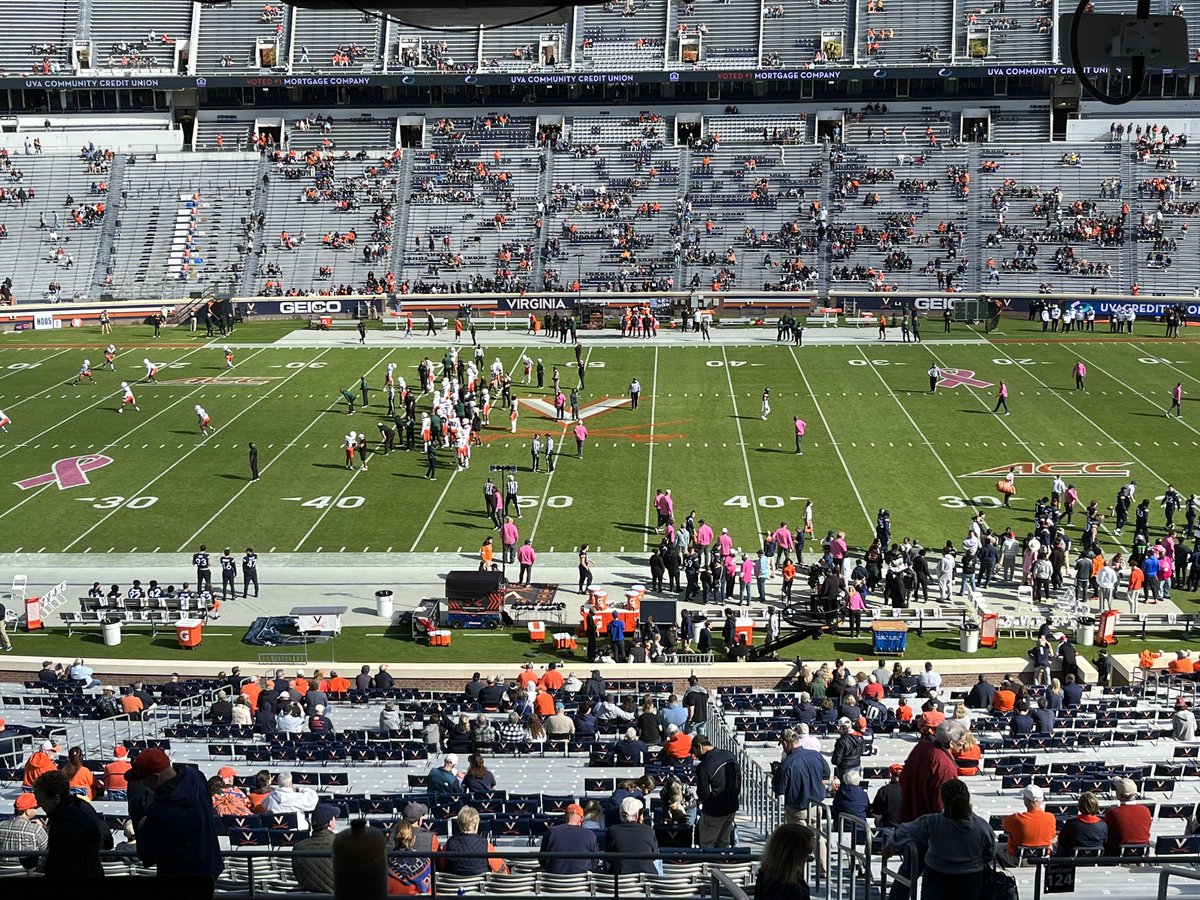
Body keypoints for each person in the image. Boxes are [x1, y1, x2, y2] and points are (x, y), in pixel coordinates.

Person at [884, 780, 995, 900]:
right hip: (970, 880)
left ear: (942, 799)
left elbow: (904, 830)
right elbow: (990, 853)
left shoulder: (932, 822)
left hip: (937, 877)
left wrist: (892, 844)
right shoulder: (982, 826)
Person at [128, 747, 222, 879]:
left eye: (143, 779)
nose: (142, 784)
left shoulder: (160, 813)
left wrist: (140, 822)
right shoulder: (197, 776)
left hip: (179, 878)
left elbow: (147, 857)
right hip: (209, 865)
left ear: (156, 777)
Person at [34, 769, 112, 877]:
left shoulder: (66, 825)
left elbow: (66, 866)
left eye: (41, 800)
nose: (38, 804)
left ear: (56, 798)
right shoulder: (82, 807)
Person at [899, 720, 965, 822]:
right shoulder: (946, 767)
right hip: (929, 824)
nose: (963, 748)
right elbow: (942, 803)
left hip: (908, 815)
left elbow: (903, 777)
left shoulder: (920, 747)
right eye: (961, 744)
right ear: (951, 744)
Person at [695, 736, 742, 848]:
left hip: (713, 813)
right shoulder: (730, 755)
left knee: (707, 845)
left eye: (694, 751)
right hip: (731, 808)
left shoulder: (703, 767)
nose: (695, 755)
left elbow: (703, 794)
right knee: (724, 843)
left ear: (699, 747)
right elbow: (738, 781)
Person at [999, 784, 1057, 864]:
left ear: (1027, 801)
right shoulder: (1051, 817)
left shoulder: (1017, 818)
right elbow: (1053, 836)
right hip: (1042, 858)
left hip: (1019, 859)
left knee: (995, 847)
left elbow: (1005, 825)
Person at [755, 823, 815, 900]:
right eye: (809, 850)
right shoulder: (793, 890)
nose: (809, 856)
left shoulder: (765, 874)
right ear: (796, 854)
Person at [441, 805, 506, 874]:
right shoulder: (486, 845)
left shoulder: (449, 843)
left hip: (454, 880)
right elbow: (499, 868)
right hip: (480, 880)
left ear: (459, 824)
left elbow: (441, 866)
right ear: (475, 826)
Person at [607, 795, 660, 875]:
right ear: (636, 815)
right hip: (647, 877)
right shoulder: (649, 830)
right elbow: (654, 855)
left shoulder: (612, 831)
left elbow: (608, 857)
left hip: (620, 879)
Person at [292, 803, 338, 893]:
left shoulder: (298, 847)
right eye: (334, 817)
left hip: (309, 895)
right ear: (330, 823)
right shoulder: (342, 845)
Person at [539, 803, 598, 874]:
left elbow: (542, 860)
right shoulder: (590, 835)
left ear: (564, 817)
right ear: (582, 819)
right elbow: (594, 863)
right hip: (580, 880)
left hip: (553, 879)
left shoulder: (551, 832)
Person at [1104, 777, 1151, 855]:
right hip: (1142, 852)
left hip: (1118, 852)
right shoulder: (1146, 810)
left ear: (1120, 794)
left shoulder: (1113, 812)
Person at [0, 793, 47, 871]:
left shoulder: (1, 825)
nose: (36, 810)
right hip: (26, 871)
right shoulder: (35, 829)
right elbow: (47, 848)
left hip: (2, 870)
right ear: (27, 811)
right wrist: (44, 828)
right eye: (35, 807)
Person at [1055, 792, 1107, 856]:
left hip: (1073, 859)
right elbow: (1106, 842)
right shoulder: (1103, 825)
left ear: (1079, 806)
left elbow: (1062, 841)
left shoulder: (1071, 823)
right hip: (1096, 858)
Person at [387, 820, 432, 894]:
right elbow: (426, 889)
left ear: (394, 839)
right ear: (414, 839)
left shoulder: (383, 862)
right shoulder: (425, 861)